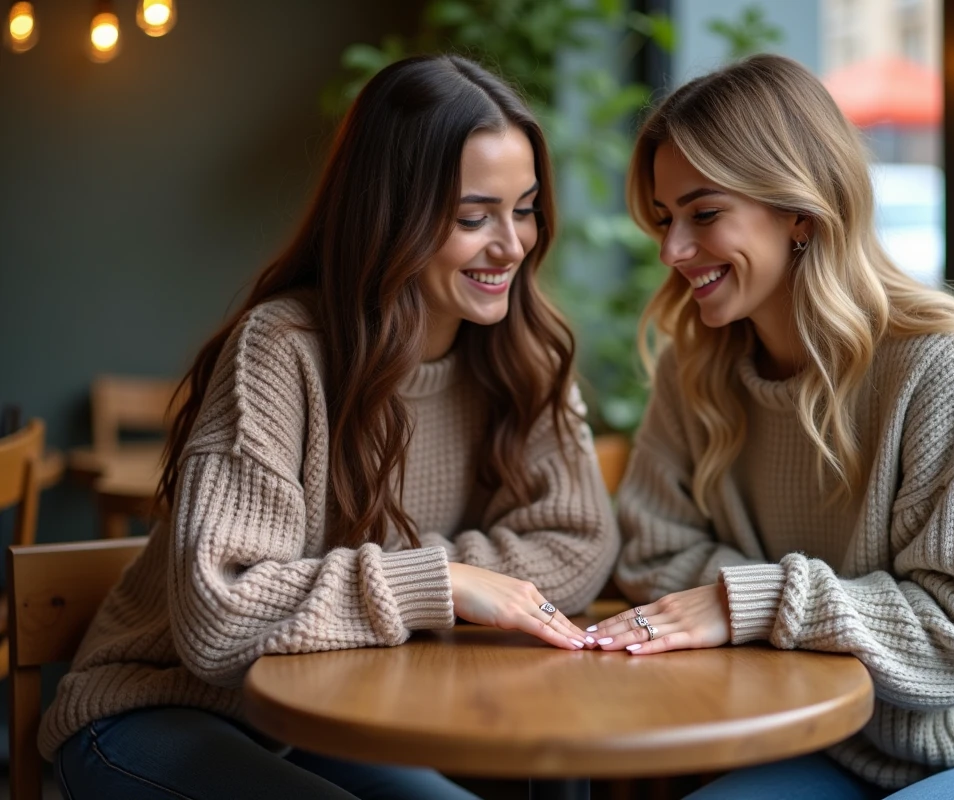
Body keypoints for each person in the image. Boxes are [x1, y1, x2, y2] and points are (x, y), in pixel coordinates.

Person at [46, 54, 619, 800]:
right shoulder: (281, 350)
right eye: (473, 218)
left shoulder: (524, 355)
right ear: (391, 216)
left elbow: (577, 542)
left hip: (315, 721)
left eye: (526, 208)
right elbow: (221, 618)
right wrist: (443, 582)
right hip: (152, 710)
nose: (512, 245)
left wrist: (448, 583)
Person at [587, 54, 954, 799]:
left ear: (800, 210)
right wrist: (755, 602)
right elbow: (653, 553)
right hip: (841, 743)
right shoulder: (696, 371)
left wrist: (752, 601)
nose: (672, 250)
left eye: (704, 213)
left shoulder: (939, 365)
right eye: (664, 219)